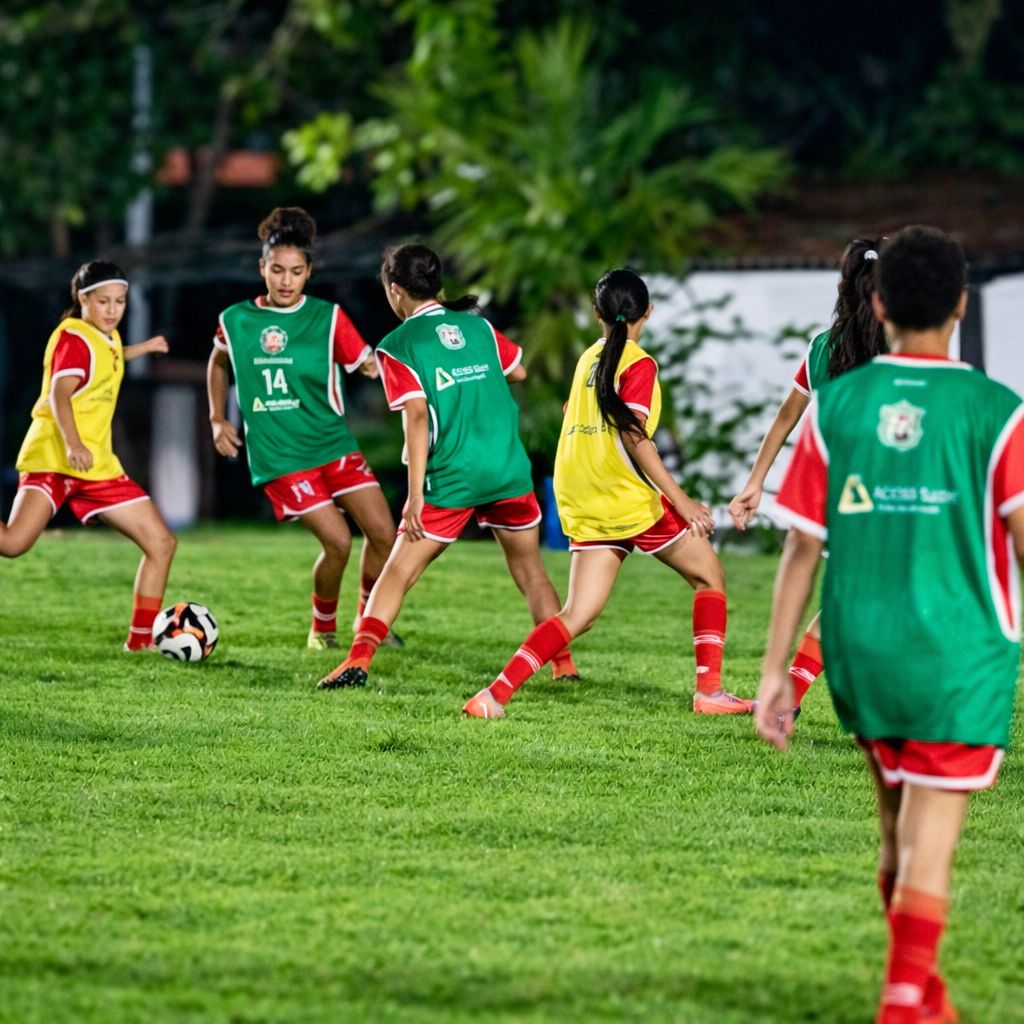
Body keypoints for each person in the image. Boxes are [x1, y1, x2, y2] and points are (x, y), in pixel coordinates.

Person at [755, 226, 1024, 1024]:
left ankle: (926, 997)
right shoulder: (997, 413)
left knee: (896, 831)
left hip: (860, 654)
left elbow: (802, 544)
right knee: (930, 841)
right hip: (956, 658)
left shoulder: (839, 407)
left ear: (877, 304)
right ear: (961, 306)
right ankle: (904, 1001)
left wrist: (774, 671)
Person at [464, 268, 755, 718]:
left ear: (597, 313)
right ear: (648, 312)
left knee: (578, 614)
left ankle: (493, 696)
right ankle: (710, 693)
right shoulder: (638, 363)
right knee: (709, 576)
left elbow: (575, 416)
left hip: (582, 491)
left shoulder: (588, 359)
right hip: (625, 494)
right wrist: (683, 501)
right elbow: (634, 437)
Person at [316, 243, 578, 690]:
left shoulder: (397, 345)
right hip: (506, 469)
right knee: (531, 571)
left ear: (396, 290)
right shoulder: (476, 327)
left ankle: (357, 661)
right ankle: (563, 666)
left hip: (454, 477)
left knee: (399, 571)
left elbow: (416, 416)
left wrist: (415, 496)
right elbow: (517, 371)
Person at [208, 207, 400, 650]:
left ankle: (368, 623)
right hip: (282, 456)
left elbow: (370, 366)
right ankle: (322, 630)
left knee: (385, 536)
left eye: (295, 271)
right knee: (338, 542)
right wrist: (218, 418)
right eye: (277, 270)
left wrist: (412, 363)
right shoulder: (236, 320)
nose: (285, 280)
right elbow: (218, 362)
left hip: (333, 444)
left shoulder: (328, 318)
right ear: (262, 269)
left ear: (309, 272)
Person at [728, 238, 887, 714]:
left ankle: (790, 696)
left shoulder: (824, 347)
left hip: (836, 492)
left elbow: (785, 417)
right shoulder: (903, 347)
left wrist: (755, 481)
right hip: (889, 492)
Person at [1, 260, 177, 651]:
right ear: (83, 300)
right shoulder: (73, 340)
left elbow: (109, 356)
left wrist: (143, 348)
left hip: (96, 466)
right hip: (55, 457)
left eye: (120, 302)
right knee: (12, 545)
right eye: (103, 302)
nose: (113, 310)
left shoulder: (105, 338)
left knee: (161, 542)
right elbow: (58, 395)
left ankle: (140, 643)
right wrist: (72, 444)